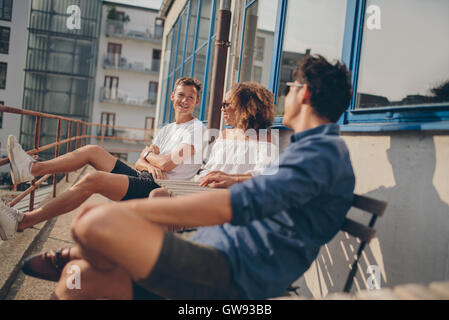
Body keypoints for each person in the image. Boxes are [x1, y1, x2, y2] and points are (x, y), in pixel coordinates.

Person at [43, 54, 356, 300]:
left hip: (232, 274)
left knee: (95, 225)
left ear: (304, 95)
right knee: (77, 278)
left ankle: (89, 250)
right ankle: (84, 254)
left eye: (289, 88)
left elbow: (239, 202)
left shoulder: (321, 155)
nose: (283, 95)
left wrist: (123, 212)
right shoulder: (312, 150)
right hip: (215, 254)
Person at [0, 77, 206, 241]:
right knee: (92, 150)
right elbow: (140, 162)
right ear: (172, 96)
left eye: (190, 97)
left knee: (93, 180)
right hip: (145, 178)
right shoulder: (168, 129)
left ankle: (23, 221)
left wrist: (148, 155)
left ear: (197, 101)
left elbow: (167, 163)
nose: (184, 101)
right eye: (181, 95)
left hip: (160, 189)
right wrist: (147, 158)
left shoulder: (197, 129)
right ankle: (31, 169)